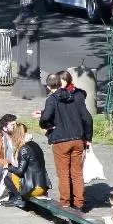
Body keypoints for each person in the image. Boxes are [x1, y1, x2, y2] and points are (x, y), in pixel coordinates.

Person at [33, 71, 93, 211]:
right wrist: (88, 138)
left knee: (63, 173)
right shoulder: (76, 97)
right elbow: (87, 118)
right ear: (61, 83)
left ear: (48, 87)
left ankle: (65, 202)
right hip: (78, 139)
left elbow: (46, 118)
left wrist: (46, 125)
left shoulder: (52, 99)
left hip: (61, 140)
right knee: (77, 172)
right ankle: (79, 203)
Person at [0, 123, 51, 207]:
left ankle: (18, 199)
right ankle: (14, 198)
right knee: (12, 174)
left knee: (8, 176)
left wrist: (8, 167)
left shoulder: (24, 149)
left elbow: (20, 171)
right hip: (42, 186)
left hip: (33, 188)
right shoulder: (35, 145)